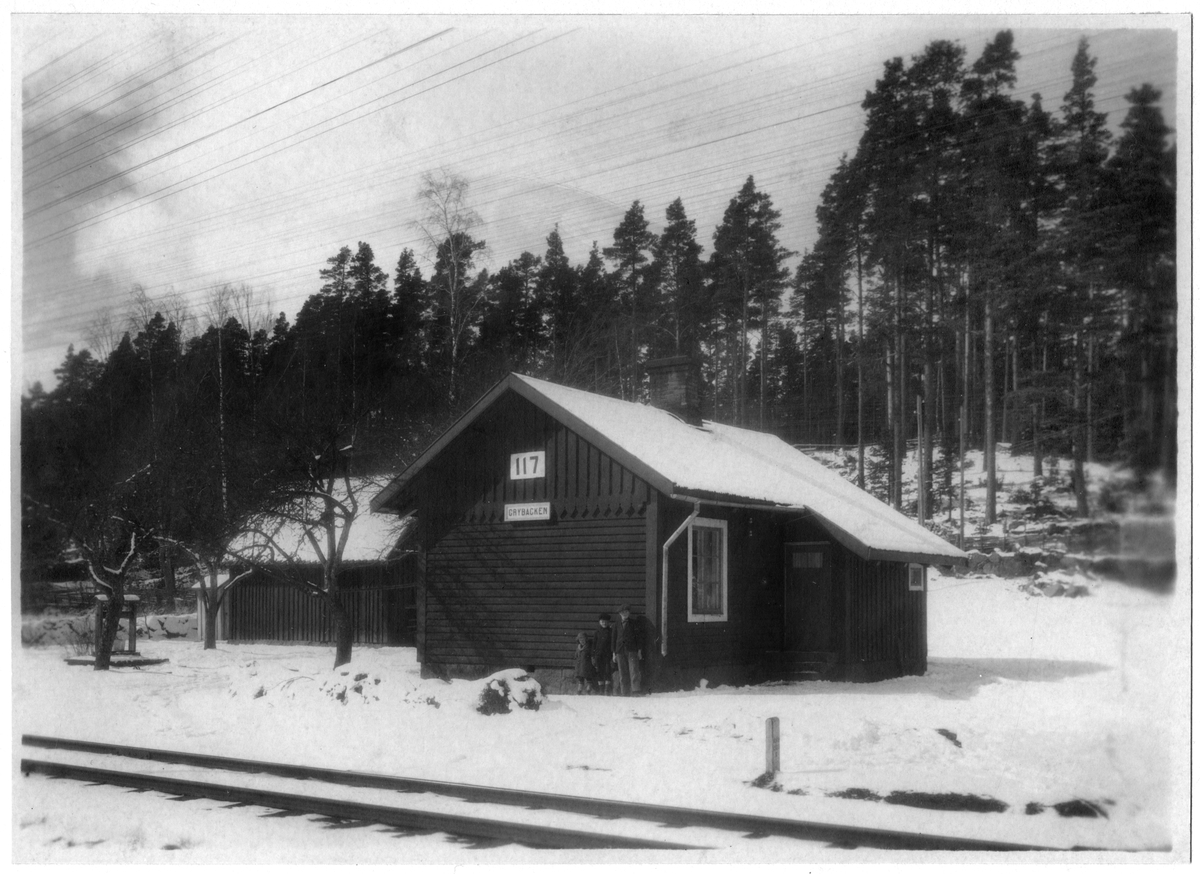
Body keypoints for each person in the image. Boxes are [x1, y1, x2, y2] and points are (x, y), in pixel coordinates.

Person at [612, 604, 643, 696]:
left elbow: (639, 638)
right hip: (620, 651)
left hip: (632, 650)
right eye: (622, 612)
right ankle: (624, 692)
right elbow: (613, 639)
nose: (624, 614)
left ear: (629, 613)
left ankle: (635, 691)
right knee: (622, 672)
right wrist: (614, 653)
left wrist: (639, 650)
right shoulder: (616, 625)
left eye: (626, 612)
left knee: (634, 670)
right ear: (619, 614)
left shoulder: (634, 623)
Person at [592, 613, 615, 696]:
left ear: (608, 622)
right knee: (599, 671)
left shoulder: (611, 631)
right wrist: (593, 656)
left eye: (606, 621)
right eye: (602, 621)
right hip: (598, 655)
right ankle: (601, 690)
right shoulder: (597, 632)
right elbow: (594, 644)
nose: (604, 623)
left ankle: (606, 690)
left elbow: (613, 643)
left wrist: (613, 654)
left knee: (608, 671)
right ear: (599, 622)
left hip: (608, 655)